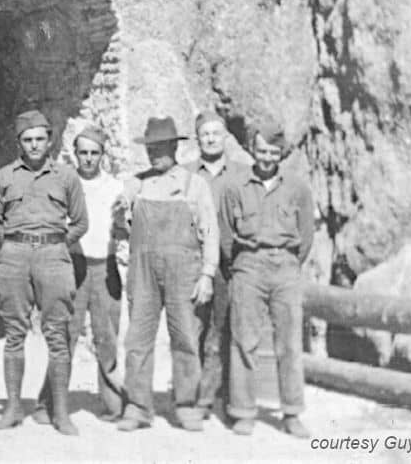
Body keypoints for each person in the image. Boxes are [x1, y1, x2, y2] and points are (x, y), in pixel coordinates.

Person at [114, 117, 219, 432]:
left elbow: (210, 232)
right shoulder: (137, 183)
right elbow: (121, 220)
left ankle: (186, 404)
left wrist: (207, 274)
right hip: (143, 272)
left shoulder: (193, 184)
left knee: (185, 337)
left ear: (175, 147)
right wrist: (120, 210)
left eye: (161, 148)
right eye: (151, 148)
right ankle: (137, 406)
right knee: (138, 339)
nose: (155, 154)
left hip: (183, 272)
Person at [0, 111, 89, 436]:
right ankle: (13, 407)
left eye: (39, 139)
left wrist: (57, 244)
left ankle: (60, 412)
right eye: (27, 140)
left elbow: (80, 221)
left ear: (50, 141)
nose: (34, 145)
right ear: (18, 143)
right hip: (14, 256)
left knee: (58, 334)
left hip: (53, 255)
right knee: (14, 333)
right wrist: (15, 245)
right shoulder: (4, 176)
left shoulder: (66, 177)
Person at [220, 122, 314, 438]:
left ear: (282, 153)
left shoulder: (297, 187)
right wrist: (243, 264)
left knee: (289, 342)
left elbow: (306, 235)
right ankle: (244, 411)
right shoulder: (235, 185)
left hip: (286, 266)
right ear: (251, 149)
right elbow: (225, 234)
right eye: (261, 150)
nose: (266, 157)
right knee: (244, 339)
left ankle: (291, 413)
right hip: (248, 265)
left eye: (273, 151)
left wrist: (288, 262)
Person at [33, 127, 125, 425]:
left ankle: (114, 403)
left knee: (107, 337)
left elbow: (125, 228)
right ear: (75, 153)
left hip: (105, 266)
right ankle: (48, 403)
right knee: (65, 335)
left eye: (94, 153)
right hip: (71, 266)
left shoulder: (115, 187)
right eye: (83, 152)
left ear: (103, 155)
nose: (88, 158)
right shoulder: (63, 183)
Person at [184, 111, 253, 422]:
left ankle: (218, 398)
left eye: (216, 133)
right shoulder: (185, 174)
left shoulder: (242, 173)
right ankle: (192, 395)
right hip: (192, 263)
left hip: (230, 264)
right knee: (192, 329)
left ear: (226, 137)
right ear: (198, 139)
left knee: (222, 331)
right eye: (205, 134)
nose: (210, 138)